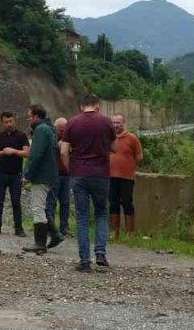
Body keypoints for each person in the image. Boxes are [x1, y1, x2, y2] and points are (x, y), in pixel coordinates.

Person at [63, 94, 117, 271]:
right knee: (101, 213)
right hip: (101, 173)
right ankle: (100, 253)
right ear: (98, 106)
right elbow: (115, 147)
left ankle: (84, 260)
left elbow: (63, 151)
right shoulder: (106, 122)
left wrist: (70, 169)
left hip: (78, 173)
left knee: (82, 217)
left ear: (81, 106)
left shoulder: (72, 122)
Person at [21, 105, 59, 255]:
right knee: (41, 207)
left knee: (37, 208)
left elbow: (35, 155)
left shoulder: (40, 130)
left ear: (36, 116)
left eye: (29, 116)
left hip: (41, 176)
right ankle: (55, 234)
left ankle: (39, 243)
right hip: (48, 174)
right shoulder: (48, 129)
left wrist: (27, 175)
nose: (28, 119)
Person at [0, 110, 29, 237]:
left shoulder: (21, 136)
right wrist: (1, 152)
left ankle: (18, 228)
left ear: (14, 120)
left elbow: (27, 153)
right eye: (6, 122)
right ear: (2, 123)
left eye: (11, 121)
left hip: (16, 174)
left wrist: (14, 151)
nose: (9, 124)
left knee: (16, 201)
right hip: (0, 173)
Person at [108, 113, 144, 239]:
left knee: (127, 202)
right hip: (111, 176)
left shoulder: (132, 138)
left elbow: (139, 156)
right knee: (113, 203)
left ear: (123, 123)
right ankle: (114, 232)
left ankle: (129, 233)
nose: (116, 125)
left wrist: (129, 164)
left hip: (126, 177)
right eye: (113, 123)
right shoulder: (108, 137)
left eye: (118, 123)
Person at [45, 117, 71, 248]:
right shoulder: (52, 138)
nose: (63, 131)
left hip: (66, 175)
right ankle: (51, 228)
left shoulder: (70, 138)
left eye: (64, 129)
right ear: (56, 128)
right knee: (51, 202)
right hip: (54, 175)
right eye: (61, 129)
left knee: (65, 203)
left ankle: (64, 227)